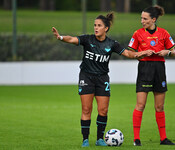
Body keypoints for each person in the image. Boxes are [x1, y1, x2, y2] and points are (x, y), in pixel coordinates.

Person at [52, 12, 150, 147]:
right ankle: (85, 139)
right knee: (86, 109)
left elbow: (128, 53)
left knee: (103, 110)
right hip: (86, 76)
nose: (96, 28)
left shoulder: (112, 44)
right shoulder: (88, 39)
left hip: (102, 78)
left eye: (99, 26)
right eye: (95, 25)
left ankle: (100, 139)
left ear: (106, 28)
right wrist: (60, 37)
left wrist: (140, 53)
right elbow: (72, 39)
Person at [128, 5, 175, 146]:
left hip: (159, 69)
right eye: (141, 18)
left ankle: (163, 139)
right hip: (145, 69)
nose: (142, 21)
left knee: (159, 107)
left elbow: (174, 52)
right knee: (140, 105)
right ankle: (136, 139)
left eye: (145, 18)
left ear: (153, 19)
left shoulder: (164, 33)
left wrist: (166, 52)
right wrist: (141, 53)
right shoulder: (137, 33)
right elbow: (130, 53)